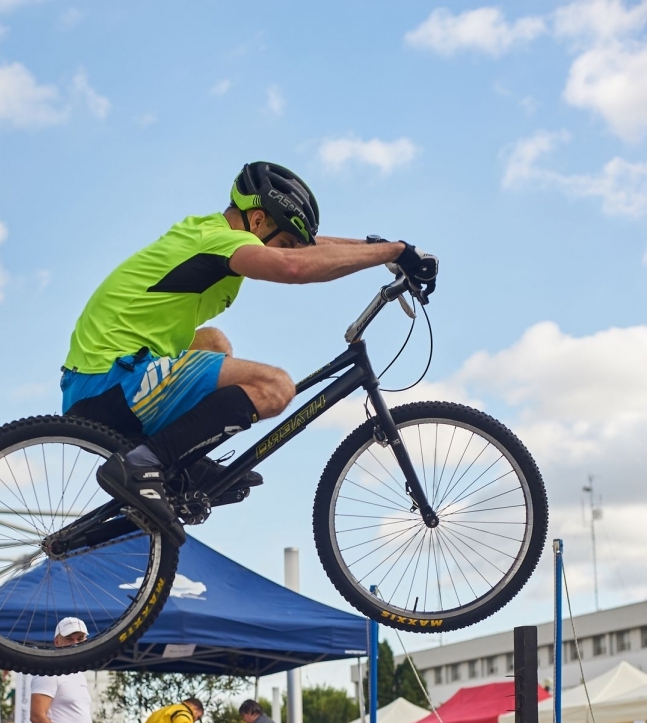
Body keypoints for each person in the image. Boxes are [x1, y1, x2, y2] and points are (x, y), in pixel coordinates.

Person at [61, 161, 438, 543]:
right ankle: (143, 464)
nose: (291, 251)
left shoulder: (212, 232)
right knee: (274, 387)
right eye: (285, 241)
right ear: (258, 220)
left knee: (213, 342)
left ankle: (177, 464)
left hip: (106, 380)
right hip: (109, 384)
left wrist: (380, 251)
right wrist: (399, 250)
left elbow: (305, 250)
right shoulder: (220, 240)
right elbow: (294, 266)